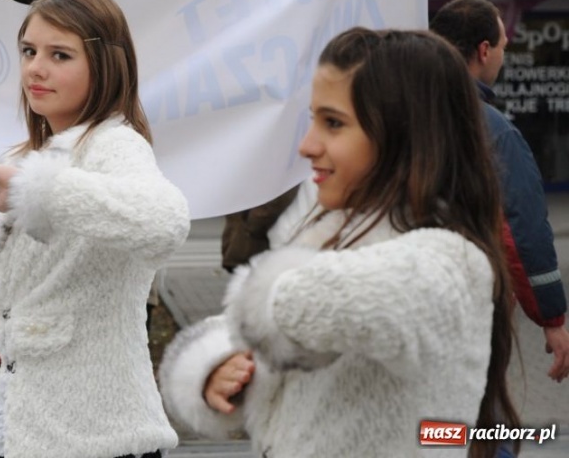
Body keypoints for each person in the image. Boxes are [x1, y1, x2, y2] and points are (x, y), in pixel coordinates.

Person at [158, 28, 519, 458]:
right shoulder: (333, 236)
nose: (308, 145)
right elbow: (270, 323)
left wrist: (259, 303)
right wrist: (217, 366)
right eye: (312, 119)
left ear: (405, 133)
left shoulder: (449, 261)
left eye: (333, 123)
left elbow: (298, 307)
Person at [0, 0, 190, 458]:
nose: (36, 68)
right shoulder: (41, 156)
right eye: (29, 51)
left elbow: (166, 221)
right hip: (35, 428)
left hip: (98, 434)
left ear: (104, 66)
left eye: (60, 55)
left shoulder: (114, 145)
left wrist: (35, 189)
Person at [431, 0, 569, 382]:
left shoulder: (400, 114)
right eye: (504, 48)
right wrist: (552, 319)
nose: (503, 58)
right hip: (470, 308)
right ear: (484, 50)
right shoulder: (492, 130)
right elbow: (519, 230)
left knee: (431, 428)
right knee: (482, 428)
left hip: (404, 307)